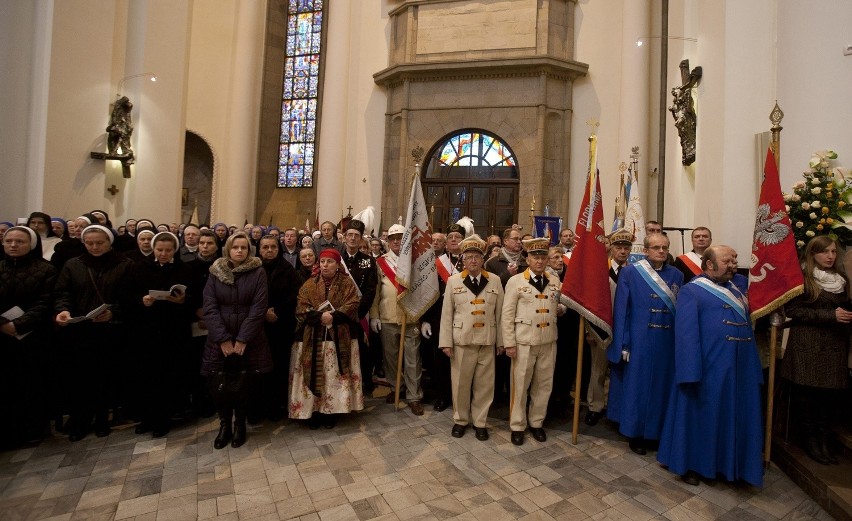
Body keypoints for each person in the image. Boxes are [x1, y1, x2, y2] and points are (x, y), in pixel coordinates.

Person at [657, 245, 764, 487]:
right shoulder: (691, 291)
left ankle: (730, 467)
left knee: (733, 419)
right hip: (707, 371)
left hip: (739, 370)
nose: (733, 264)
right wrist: (689, 372)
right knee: (701, 420)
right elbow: (685, 335)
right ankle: (694, 465)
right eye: (727, 260)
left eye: (735, 259)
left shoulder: (738, 288)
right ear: (709, 265)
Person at [606, 233, 683, 455]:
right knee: (638, 387)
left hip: (666, 342)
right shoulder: (631, 272)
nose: (661, 251)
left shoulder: (677, 275)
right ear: (646, 250)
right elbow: (623, 310)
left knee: (661, 387)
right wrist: (625, 343)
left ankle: (655, 432)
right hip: (639, 340)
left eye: (665, 247)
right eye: (656, 247)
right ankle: (636, 432)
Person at [54, 225, 132, 441]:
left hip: (110, 331)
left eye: (100, 243)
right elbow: (62, 292)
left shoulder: (124, 264)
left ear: (109, 242)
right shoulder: (74, 264)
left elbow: (130, 297)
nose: (95, 247)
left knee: (105, 375)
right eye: (90, 243)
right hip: (80, 330)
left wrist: (113, 313)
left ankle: (101, 418)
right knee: (80, 377)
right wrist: (63, 310)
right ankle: (80, 419)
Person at [780, 236, 851, 465]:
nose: (830, 256)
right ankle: (811, 441)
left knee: (827, 397)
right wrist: (830, 315)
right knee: (808, 396)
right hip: (808, 346)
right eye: (825, 252)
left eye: (833, 252)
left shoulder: (841, 280)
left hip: (834, 346)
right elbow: (793, 310)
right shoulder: (803, 278)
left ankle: (822, 439)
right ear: (813, 254)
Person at [202, 232, 271, 449]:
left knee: (243, 383)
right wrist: (222, 338)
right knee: (219, 383)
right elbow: (210, 306)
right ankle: (225, 425)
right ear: (228, 250)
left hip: (249, 338)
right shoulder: (215, 272)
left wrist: (242, 339)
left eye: (243, 247)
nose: (239, 251)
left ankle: (240, 424)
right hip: (219, 338)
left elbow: (259, 308)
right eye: (235, 247)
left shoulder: (258, 272)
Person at [439, 235, 504, 440]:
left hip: (486, 340)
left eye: (477, 256)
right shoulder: (453, 281)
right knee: (460, 384)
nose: (473, 261)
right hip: (462, 340)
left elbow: (500, 314)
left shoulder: (494, 280)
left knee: (484, 385)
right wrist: (446, 342)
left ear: (482, 259)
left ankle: (480, 422)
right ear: (463, 260)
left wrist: (501, 341)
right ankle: (460, 420)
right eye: (469, 257)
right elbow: (447, 314)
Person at [290, 248, 364, 428]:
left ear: (337, 264)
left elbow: (353, 304)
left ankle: (331, 412)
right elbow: (301, 307)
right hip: (313, 336)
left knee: (333, 377)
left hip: (339, 336)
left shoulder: (347, 283)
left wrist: (335, 316)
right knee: (316, 373)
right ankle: (313, 411)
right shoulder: (309, 284)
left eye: (329, 262)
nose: (325, 265)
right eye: (322, 262)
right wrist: (319, 317)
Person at [502, 237, 565, 445]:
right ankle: (517, 425)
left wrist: (561, 309)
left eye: (543, 257)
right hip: (524, 342)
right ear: (527, 259)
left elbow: (560, 306)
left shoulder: (555, 281)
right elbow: (507, 314)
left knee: (544, 385)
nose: (539, 261)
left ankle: (536, 422)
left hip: (548, 341)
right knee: (520, 386)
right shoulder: (516, 281)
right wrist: (509, 342)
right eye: (535, 257)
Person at [129, 232, 193, 438]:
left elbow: (194, 297)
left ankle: (163, 419)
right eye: (159, 250)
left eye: (168, 250)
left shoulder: (184, 269)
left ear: (175, 250)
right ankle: (147, 418)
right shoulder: (139, 268)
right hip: (147, 330)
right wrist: (142, 300)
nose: (163, 254)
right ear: (153, 249)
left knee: (168, 376)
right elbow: (127, 294)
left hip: (173, 330)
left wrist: (183, 301)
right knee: (146, 375)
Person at [0, 226, 57, 447]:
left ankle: (33, 430)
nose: (13, 245)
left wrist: (19, 325)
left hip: (33, 337)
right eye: (9, 241)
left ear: (31, 244)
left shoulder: (46, 270)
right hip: (2, 338)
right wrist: (4, 325)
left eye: (19, 241)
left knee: (32, 384)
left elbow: (45, 302)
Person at [371, 224, 425, 416]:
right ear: (388, 241)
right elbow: (376, 292)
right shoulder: (380, 262)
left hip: (410, 318)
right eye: (393, 238)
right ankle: (397, 387)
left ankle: (414, 396)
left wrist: (422, 317)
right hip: (387, 316)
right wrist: (374, 315)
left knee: (412, 360)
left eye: (400, 238)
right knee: (391, 359)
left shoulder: (414, 262)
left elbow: (421, 292)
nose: (396, 241)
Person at [585, 229, 632, 426]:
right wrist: (589, 329)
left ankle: (616, 407)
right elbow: (590, 302)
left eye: (626, 248)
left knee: (621, 372)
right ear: (610, 248)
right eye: (618, 247)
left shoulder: (635, 272)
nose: (622, 251)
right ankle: (595, 406)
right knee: (598, 370)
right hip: (602, 328)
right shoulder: (599, 271)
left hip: (625, 329)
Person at [258, 234, 300, 422]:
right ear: (259, 249)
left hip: (281, 325)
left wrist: (278, 312)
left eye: (273, 247)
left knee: (280, 365)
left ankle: (279, 405)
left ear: (278, 248)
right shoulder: (253, 268)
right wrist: (263, 311)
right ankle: (260, 405)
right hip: (258, 326)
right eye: (265, 247)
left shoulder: (288, 269)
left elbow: (295, 296)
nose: (269, 250)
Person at [485, 226, 528, 403]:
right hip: (500, 314)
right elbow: (489, 289)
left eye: (520, 239)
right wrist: (506, 275)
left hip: (522, 314)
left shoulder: (526, 261)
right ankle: (496, 395)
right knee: (500, 357)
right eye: (516, 239)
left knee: (515, 357)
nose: (519, 242)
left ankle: (513, 394)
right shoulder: (493, 262)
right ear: (505, 241)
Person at [340, 220, 378, 396]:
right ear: (344, 237)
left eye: (356, 235)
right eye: (350, 235)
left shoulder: (369, 261)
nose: (353, 238)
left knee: (362, 350)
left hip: (358, 315)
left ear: (361, 238)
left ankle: (363, 383)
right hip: (338, 314)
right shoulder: (335, 257)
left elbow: (371, 290)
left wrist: (358, 312)